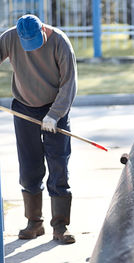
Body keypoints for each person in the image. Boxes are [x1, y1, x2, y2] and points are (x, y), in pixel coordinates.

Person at [0, 14, 77, 243]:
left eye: (35, 42)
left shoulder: (60, 42)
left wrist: (54, 115)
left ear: (43, 30)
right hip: (24, 108)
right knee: (29, 165)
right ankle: (34, 223)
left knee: (58, 165)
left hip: (55, 110)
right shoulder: (11, 37)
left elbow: (69, 83)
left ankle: (60, 225)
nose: (31, 49)